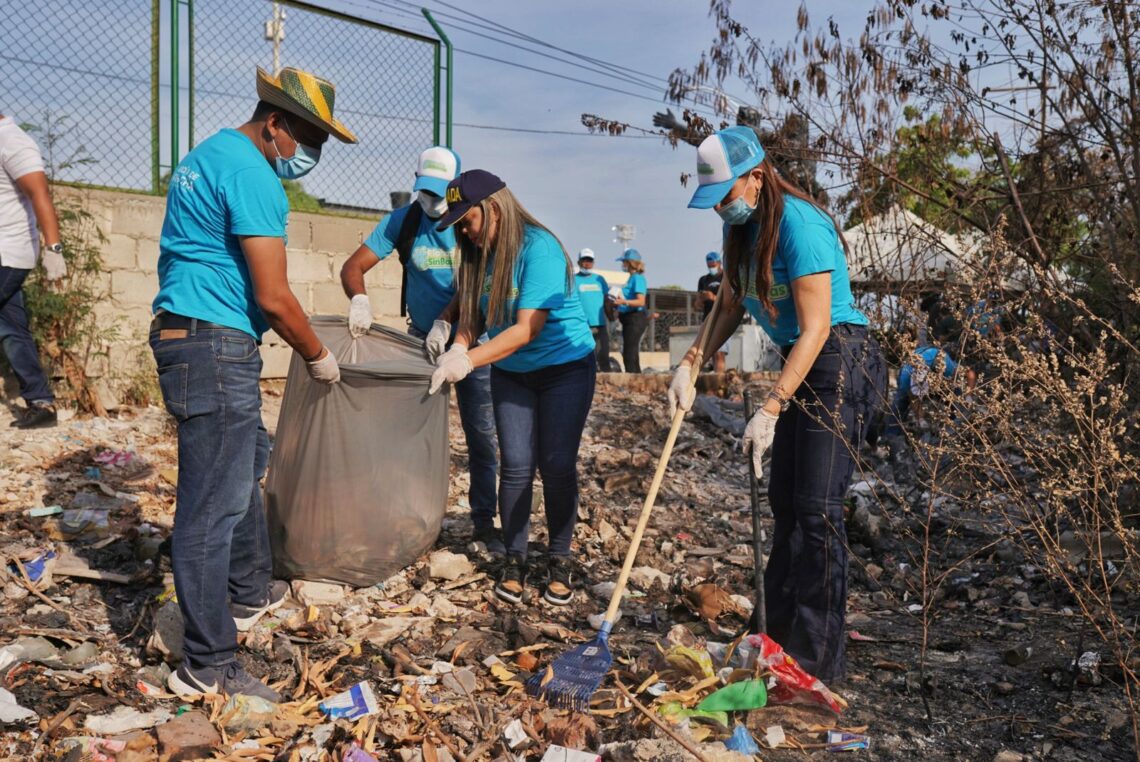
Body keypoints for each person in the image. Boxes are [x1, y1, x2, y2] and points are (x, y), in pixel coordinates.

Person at [150, 66, 354, 700]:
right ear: (275, 124)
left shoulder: (209, 153)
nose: (310, 154)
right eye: (308, 138)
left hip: (194, 336)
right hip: (213, 344)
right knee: (213, 505)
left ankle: (248, 590)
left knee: (245, 467)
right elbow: (273, 296)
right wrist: (319, 355)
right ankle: (208, 664)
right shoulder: (252, 175)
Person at [668, 126, 886, 683]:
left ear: (758, 177)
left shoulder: (800, 225)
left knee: (816, 512)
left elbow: (816, 329)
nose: (721, 205)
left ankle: (816, 665)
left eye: (726, 193)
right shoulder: (740, 231)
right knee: (787, 505)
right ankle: (775, 641)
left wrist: (770, 407)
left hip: (840, 359)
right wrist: (690, 362)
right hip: (803, 359)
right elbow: (728, 307)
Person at [427, 170, 596, 607]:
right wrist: (458, 345)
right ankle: (516, 557)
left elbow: (526, 329)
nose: (463, 230)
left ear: (495, 210)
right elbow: (473, 315)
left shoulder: (539, 249)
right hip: (511, 372)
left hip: (564, 369)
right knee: (517, 464)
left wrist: (468, 360)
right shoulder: (475, 254)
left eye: (468, 220)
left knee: (556, 463)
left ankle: (559, 556)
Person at [340, 146, 501, 554]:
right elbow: (352, 267)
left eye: (439, 193)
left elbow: (477, 283)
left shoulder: (470, 223)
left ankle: (485, 522)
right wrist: (359, 299)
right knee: (407, 433)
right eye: (424, 191)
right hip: (421, 343)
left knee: (481, 436)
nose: (431, 202)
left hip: (472, 346)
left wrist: (450, 324)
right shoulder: (404, 221)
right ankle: (404, 516)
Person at [0, 113, 68, 429]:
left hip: (7, 254)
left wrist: (54, 250)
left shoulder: (12, 140)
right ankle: (41, 403)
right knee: (12, 329)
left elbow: (39, 192)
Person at [887, 319, 976, 433]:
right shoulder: (906, 376)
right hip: (913, 373)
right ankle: (891, 435)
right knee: (899, 405)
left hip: (937, 368)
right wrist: (920, 419)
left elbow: (970, 374)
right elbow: (914, 398)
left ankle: (956, 425)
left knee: (956, 392)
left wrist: (968, 396)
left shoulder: (944, 363)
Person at [573, 248, 612, 371]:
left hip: (600, 324)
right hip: (582, 324)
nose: (587, 263)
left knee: (603, 355)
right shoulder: (573, 279)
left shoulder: (599, 279)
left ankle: (606, 380)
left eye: (590, 261)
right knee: (584, 356)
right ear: (579, 262)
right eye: (584, 260)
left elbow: (607, 299)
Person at [612, 248, 647, 373]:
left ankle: (633, 380)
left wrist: (623, 302)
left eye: (624, 262)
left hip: (635, 318)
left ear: (630, 262)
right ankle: (636, 379)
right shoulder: (631, 279)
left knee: (629, 354)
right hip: (628, 318)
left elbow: (640, 301)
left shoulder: (638, 278)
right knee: (629, 353)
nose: (623, 265)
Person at [696, 251, 728, 372]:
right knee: (709, 353)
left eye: (713, 265)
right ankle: (715, 381)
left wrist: (713, 298)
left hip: (722, 319)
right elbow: (697, 305)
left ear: (719, 263)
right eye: (709, 265)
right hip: (707, 319)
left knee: (720, 352)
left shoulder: (725, 277)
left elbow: (730, 301)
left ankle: (720, 379)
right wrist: (701, 300)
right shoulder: (703, 280)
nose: (711, 268)